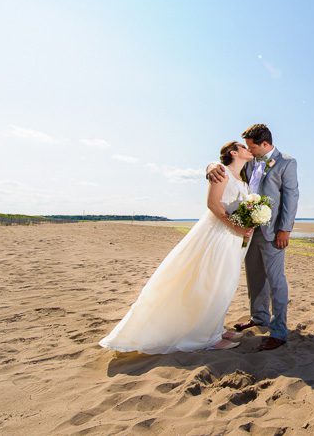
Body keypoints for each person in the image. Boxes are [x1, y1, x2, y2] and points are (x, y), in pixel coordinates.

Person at [99, 141, 255, 354]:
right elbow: (213, 204)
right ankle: (204, 337)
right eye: (243, 147)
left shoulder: (243, 180)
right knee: (209, 282)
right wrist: (235, 226)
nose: (249, 150)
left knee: (224, 283)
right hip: (217, 234)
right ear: (233, 152)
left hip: (234, 239)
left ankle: (215, 329)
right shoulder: (221, 172)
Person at [206, 123, 299, 351]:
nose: (250, 150)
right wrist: (209, 166)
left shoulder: (286, 162)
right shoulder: (249, 162)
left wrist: (285, 229)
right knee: (255, 278)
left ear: (264, 144)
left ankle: (278, 331)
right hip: (247, 231)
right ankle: (259, 318)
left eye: (251, 146)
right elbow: (226, 166)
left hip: (273, 232)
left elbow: (292, 196)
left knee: (276, 281)